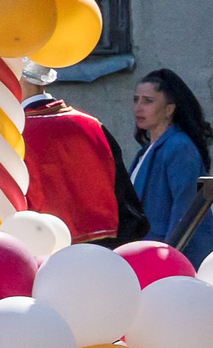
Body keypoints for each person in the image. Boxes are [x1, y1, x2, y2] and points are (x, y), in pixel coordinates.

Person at [22, 72, 147, 245]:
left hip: (42, 250)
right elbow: (124, 199)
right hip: (105, 249)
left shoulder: (15, 132)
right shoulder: (92, 125)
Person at [131, 67, 213, 264]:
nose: (138, 108)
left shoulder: (179, 146)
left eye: (148, 101)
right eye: (136, 100)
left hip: (174, 258)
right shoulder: (144, 151)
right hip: (149, 254)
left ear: (169, 109)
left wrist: (168, 258)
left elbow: (184, 212)